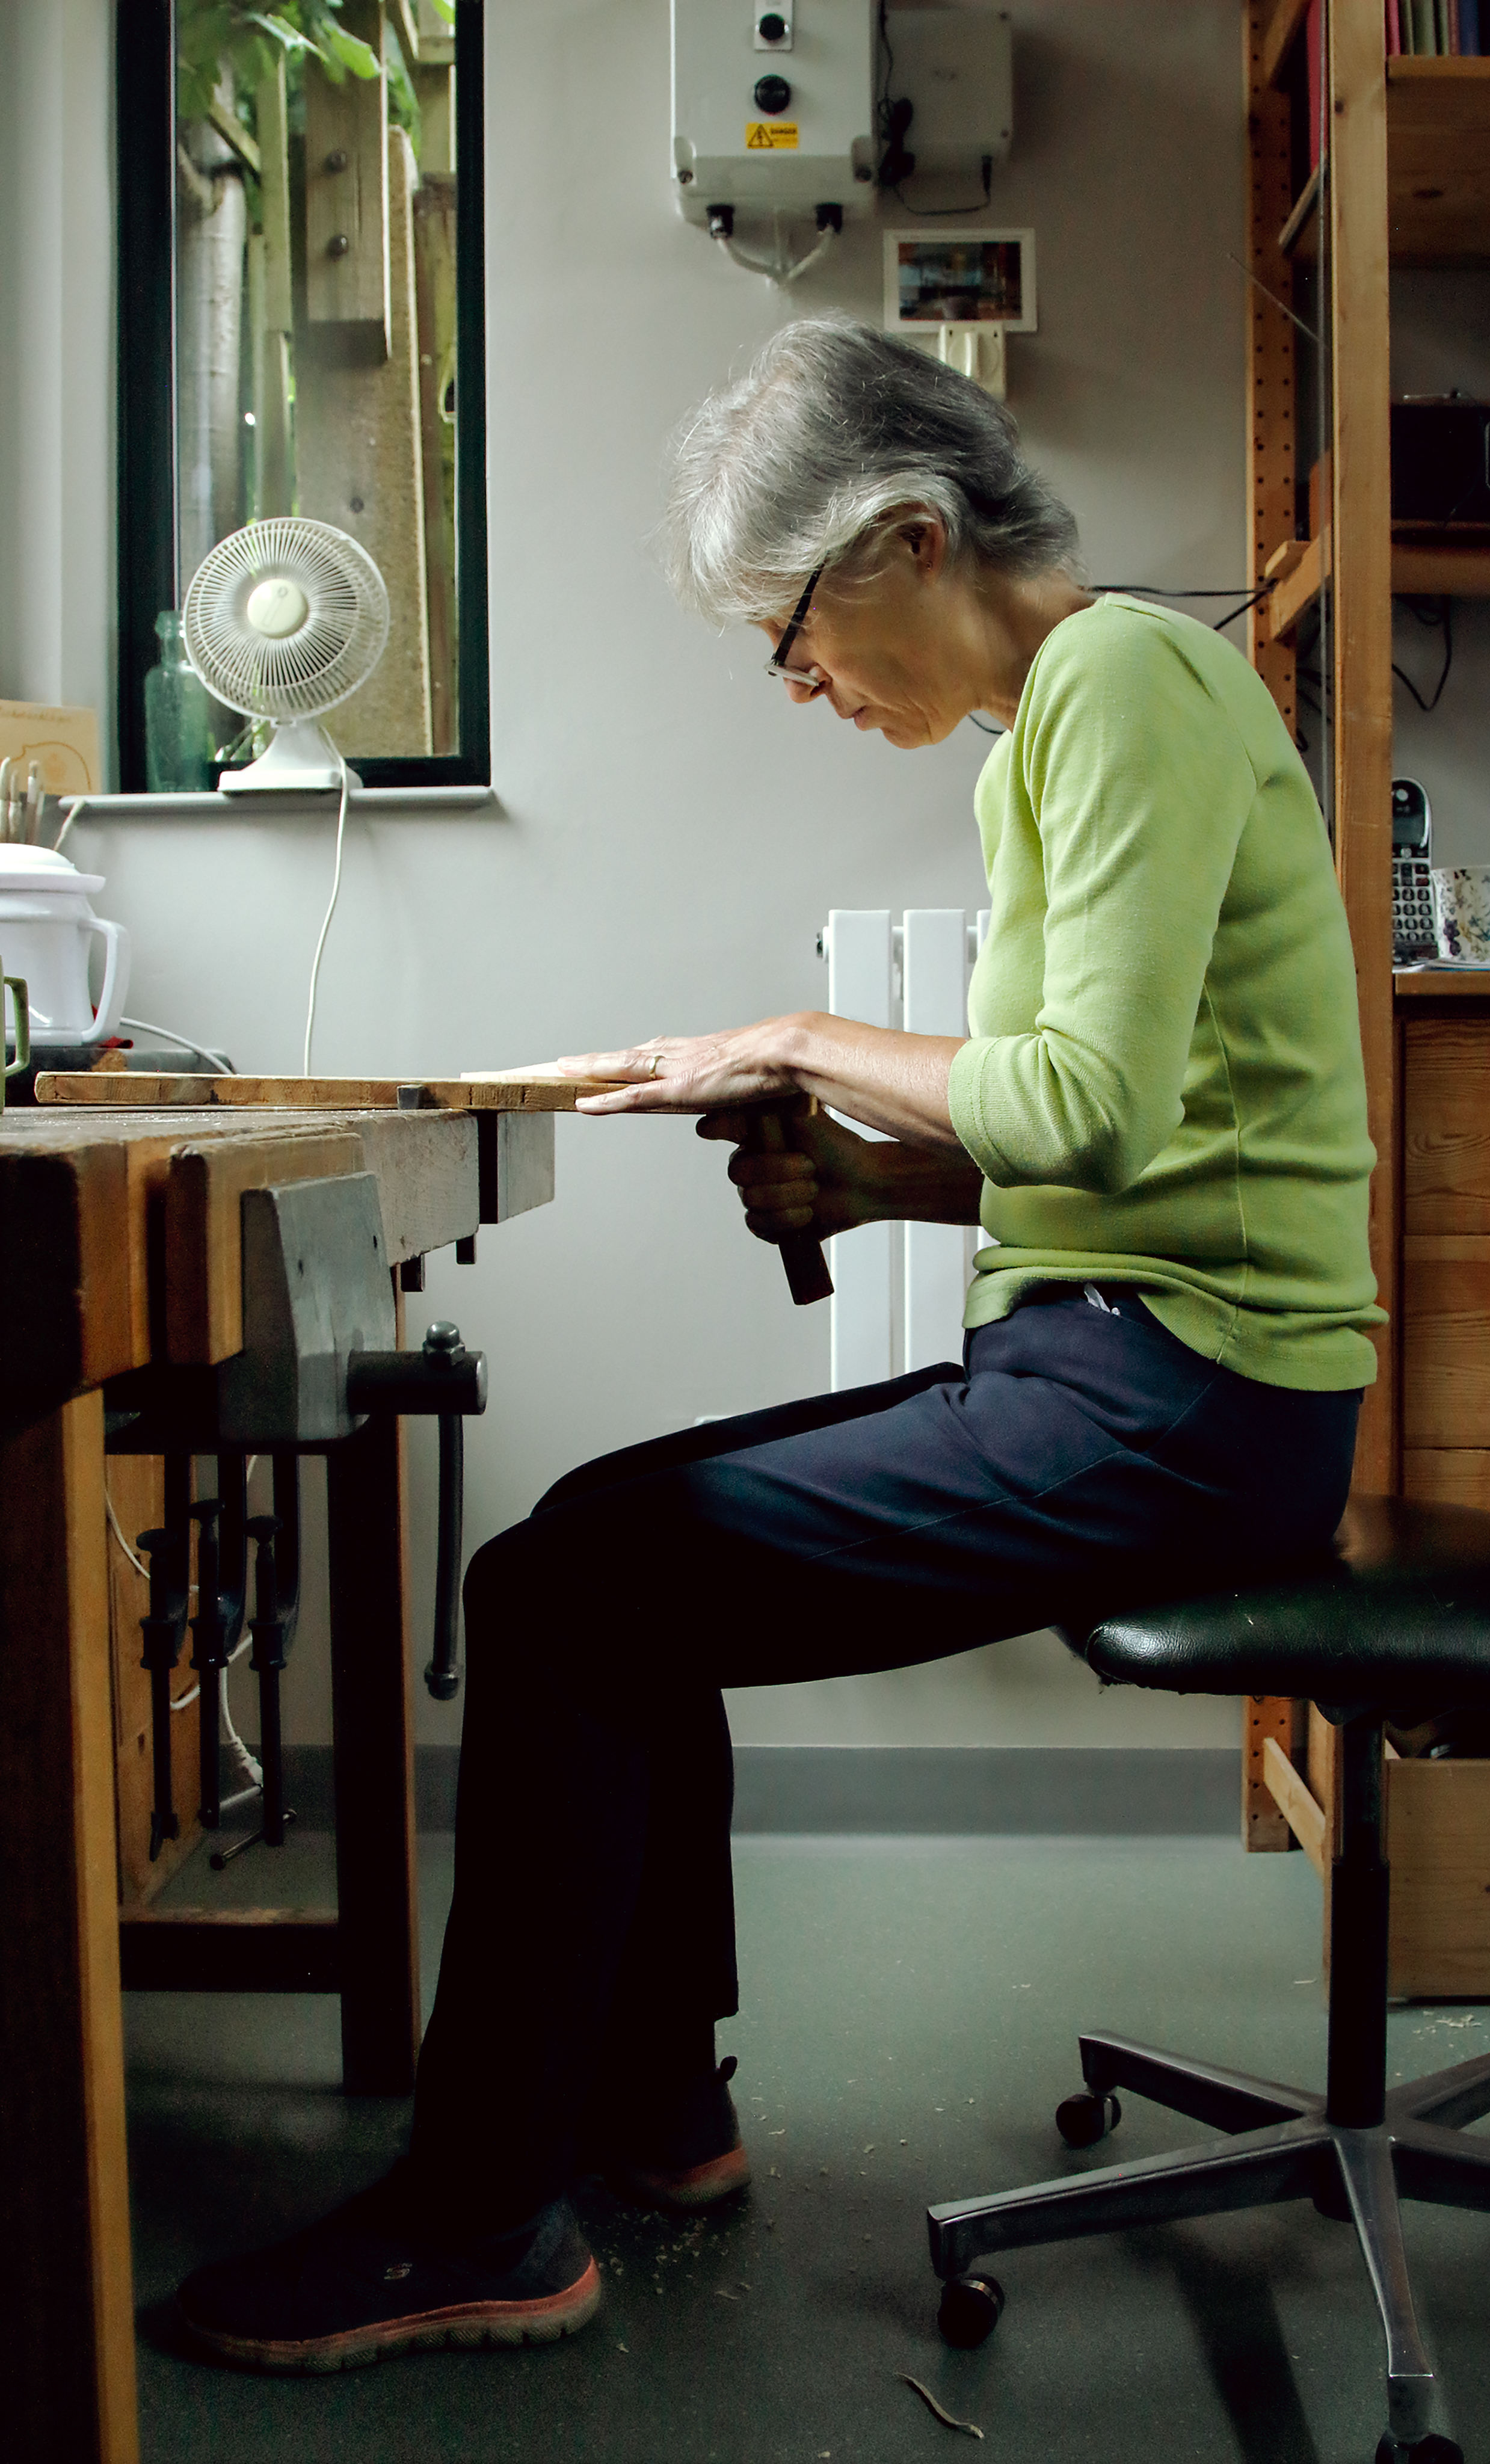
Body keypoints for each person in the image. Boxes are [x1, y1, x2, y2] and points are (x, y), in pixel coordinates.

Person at [177, 315, 1383, 2371]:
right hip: (1136, 1357)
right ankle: (655, 2109)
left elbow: (1075, 1104)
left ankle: (479, 2218)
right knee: (601, 1557)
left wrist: (779, 1033)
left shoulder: (1124, 682)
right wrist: (876, 1185)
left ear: (908, 537)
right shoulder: (1071, 722)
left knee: (565, 1593)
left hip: (1188, 1402)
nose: (802, 681)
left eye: (793, 632)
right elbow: (1153, 1141)